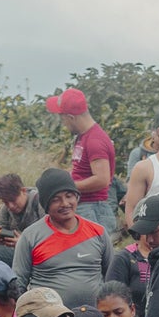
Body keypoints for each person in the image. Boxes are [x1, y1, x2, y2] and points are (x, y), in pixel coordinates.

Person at [10, 169, 115, 310]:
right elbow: (19, 284)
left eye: (69, 196)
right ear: (46, 205)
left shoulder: (98, 232)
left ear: (77, 197)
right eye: (56, 199)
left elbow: (112, 278)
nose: (65, 203)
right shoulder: (30, 237)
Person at [45, 87, 116, 230]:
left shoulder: (95, 140)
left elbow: (102, 179)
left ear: (71, 117)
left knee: (90, 251)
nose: (62, 123)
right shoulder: (83, 137)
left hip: (93, 209)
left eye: (62, 118)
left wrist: (66, 186)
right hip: (85, 207)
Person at [0, 174, 42, 268]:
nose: (10, 206)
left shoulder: (39, 201)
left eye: (13, 200)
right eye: (6, 202)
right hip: (19, 254)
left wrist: (23, 244)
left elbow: (52, 235)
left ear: (23, 191)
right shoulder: (6, 208)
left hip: (40, 255)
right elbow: (0, 228)